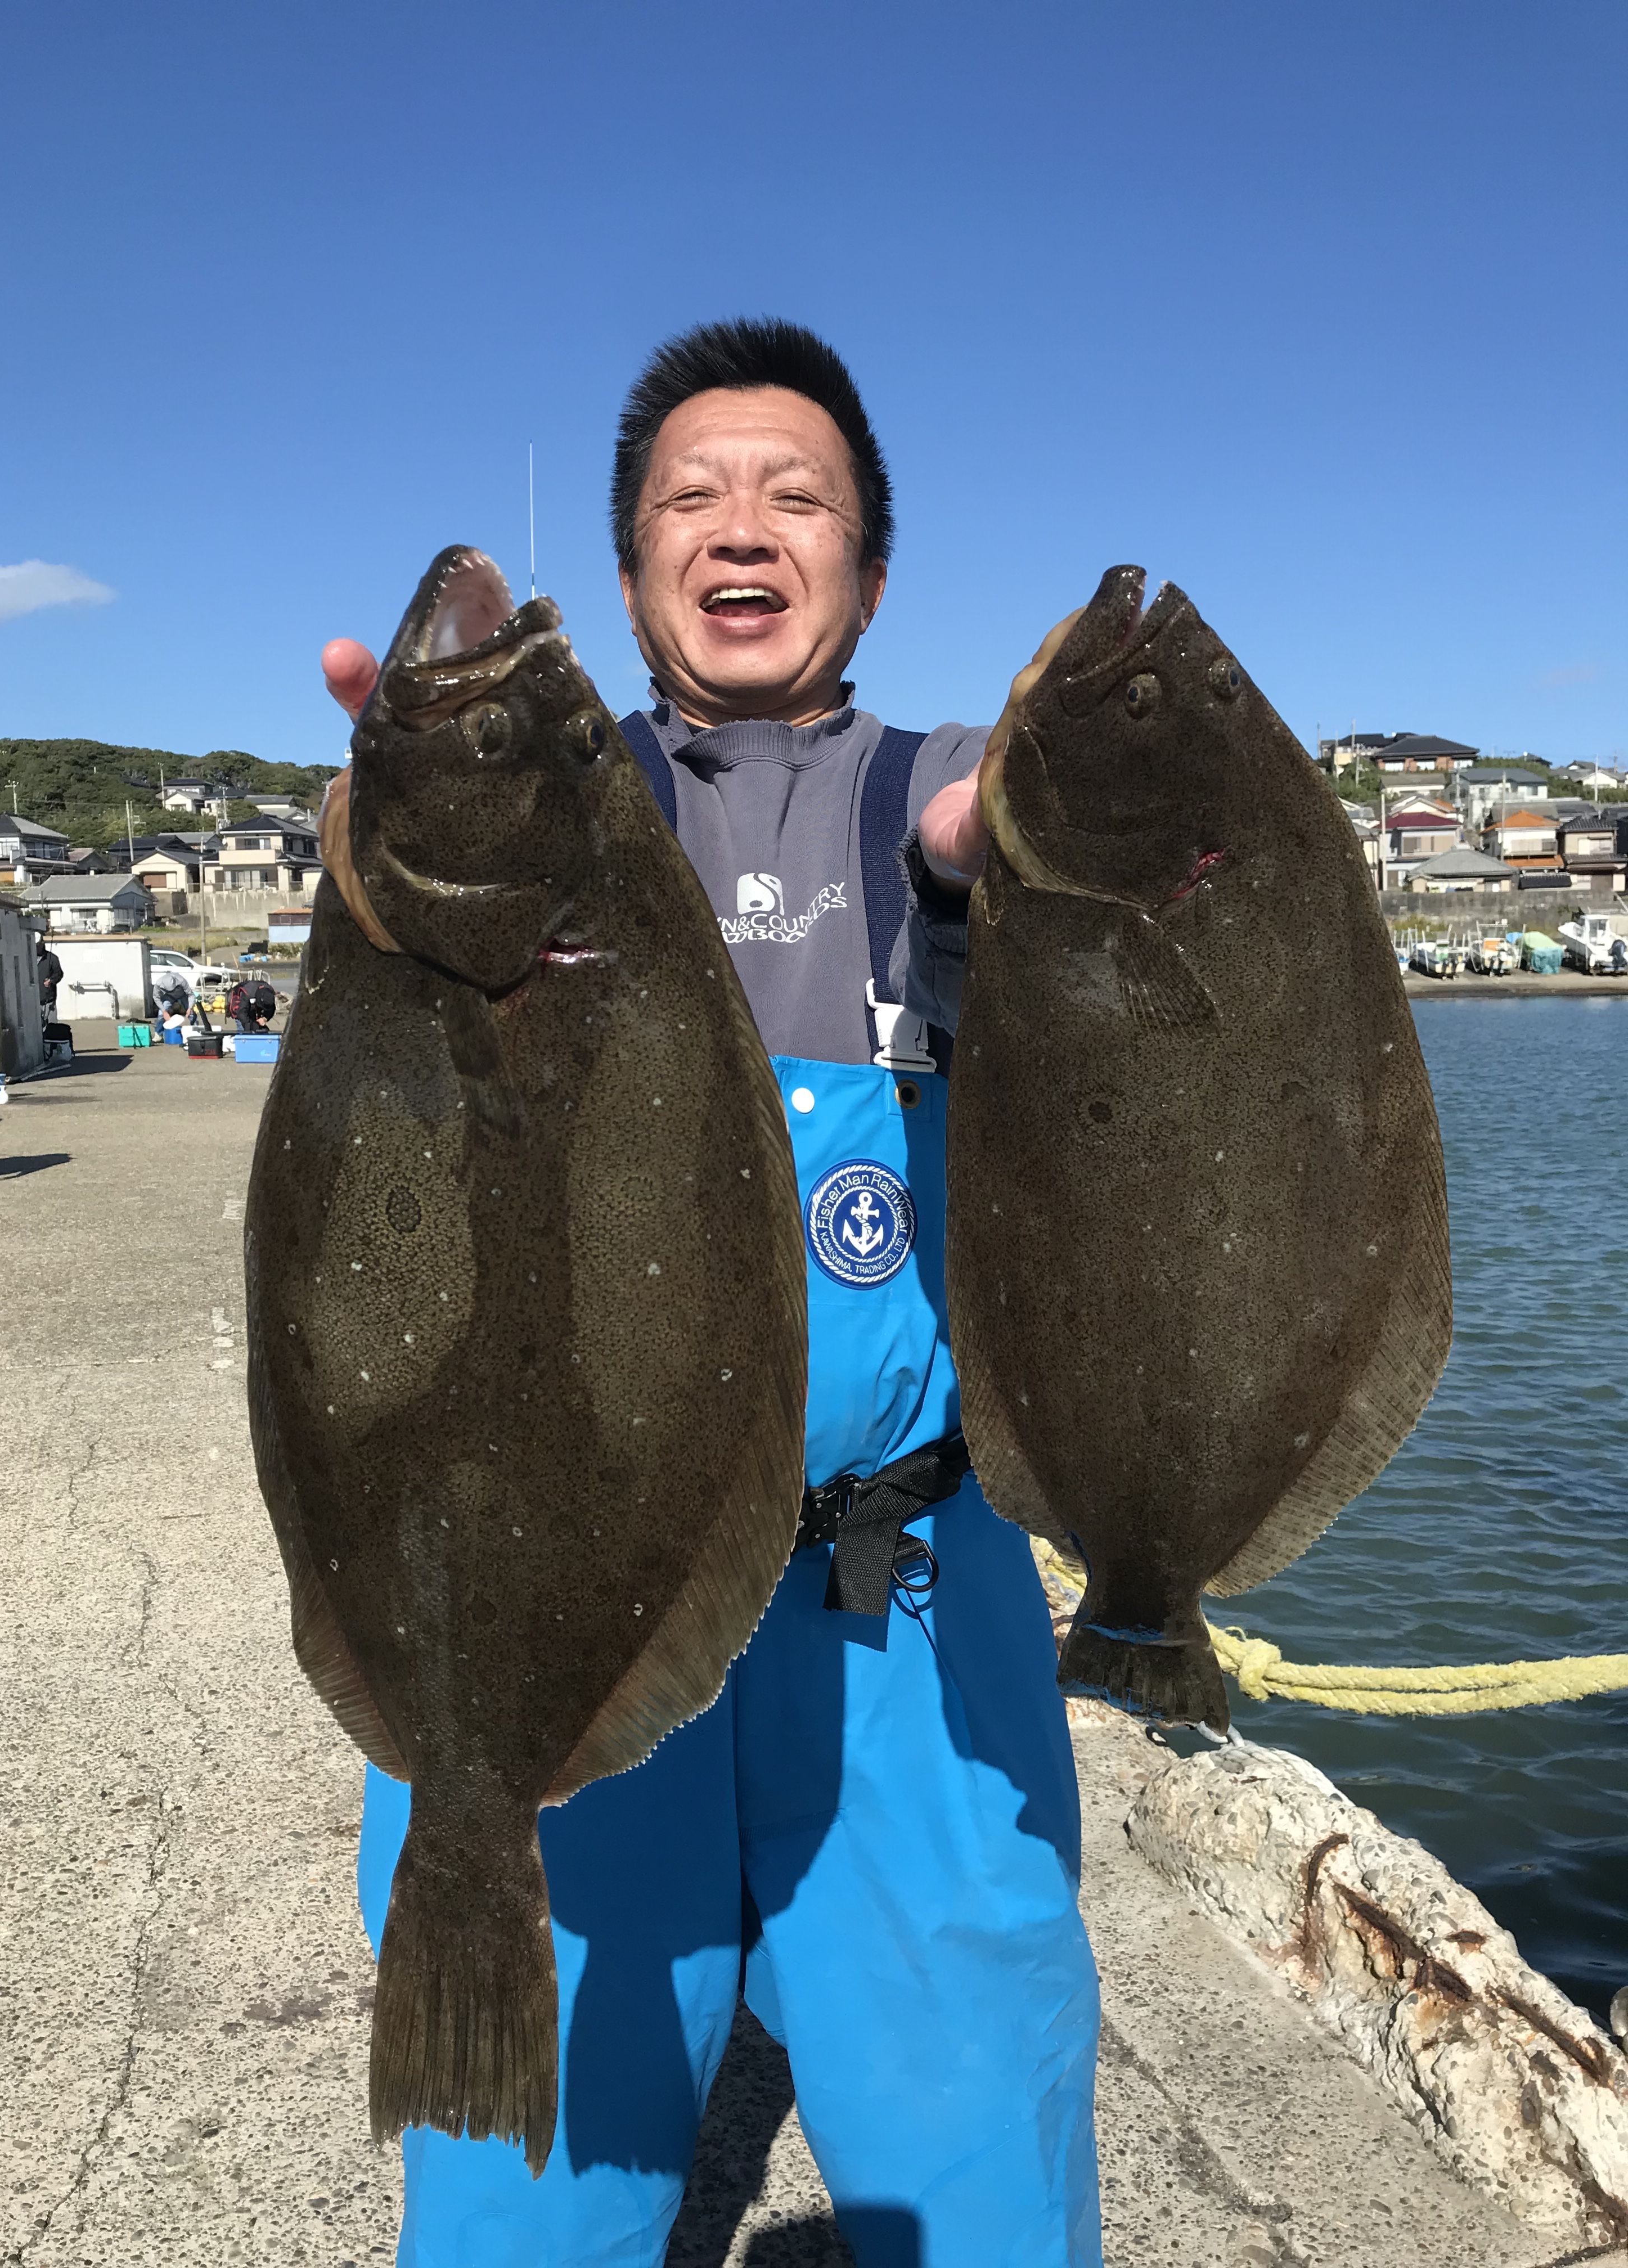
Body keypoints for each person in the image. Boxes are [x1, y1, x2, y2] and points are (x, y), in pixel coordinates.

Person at [318, 320, 1100, 2268]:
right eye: (693, 496)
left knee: (983, 2163)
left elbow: (1024, 841)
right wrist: (391, 813)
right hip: (564, 1583)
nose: (743, 527)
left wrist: (1014, 847)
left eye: (796, 497)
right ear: (629, 566)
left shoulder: (937, 794)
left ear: (870, 572)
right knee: (524, 2201)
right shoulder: (554, 796)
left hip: (897, 1605)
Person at [35, 935, 62, 1018]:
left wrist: (51, 980)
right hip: (33, 1003)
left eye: (40, 944)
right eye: (37, 945)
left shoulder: (52, 958)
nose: (39, 946)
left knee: (51, 1025)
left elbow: (59, 973)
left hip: (49, 1001)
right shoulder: (27, 958)